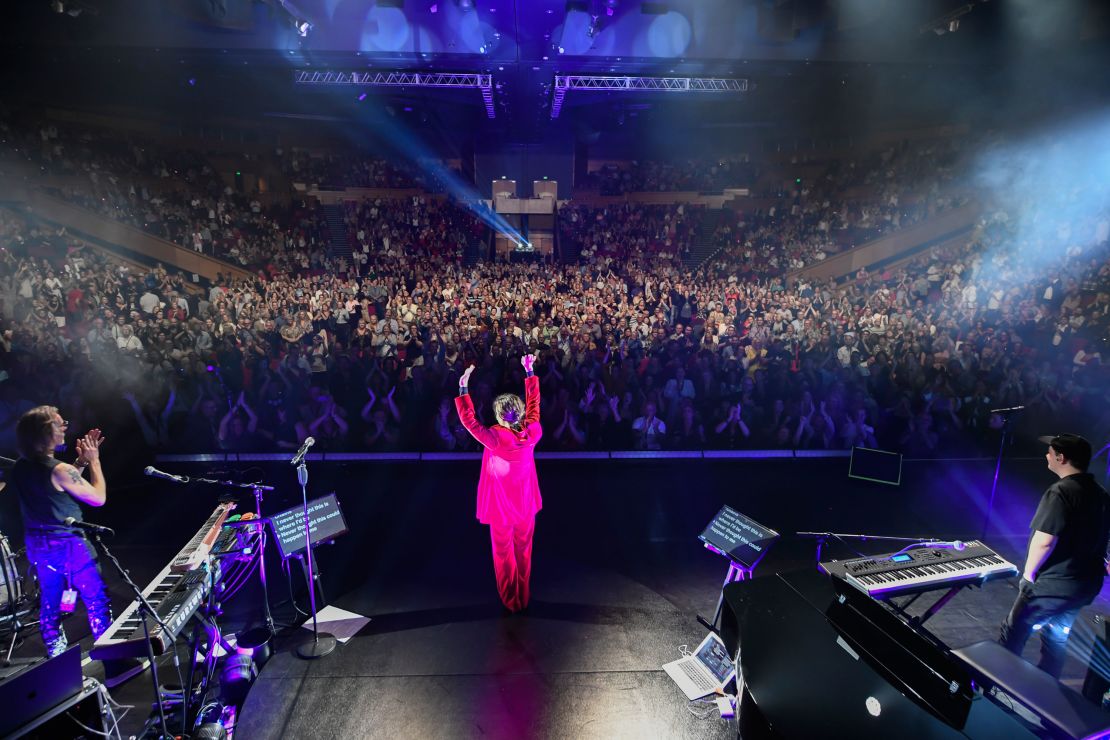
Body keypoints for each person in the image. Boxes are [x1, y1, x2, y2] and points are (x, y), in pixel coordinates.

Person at [999, 433, 1110, 678]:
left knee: (1014, 632)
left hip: (1053, 585)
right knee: (1056, 638)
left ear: (1061, 458)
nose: (1046, 455)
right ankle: (1047, 695)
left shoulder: (1060, 492)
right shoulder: (1100, 492)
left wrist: (1028, 576)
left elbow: (1045, 541)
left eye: (1050, 452)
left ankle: (998, 689)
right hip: (1084, 585)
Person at [9, 406, 110, 657]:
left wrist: (79, 464)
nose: (65, 426)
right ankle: (114, 664)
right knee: (97, 602)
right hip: (70, 547)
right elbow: (97, 498)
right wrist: (95, 460)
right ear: (44, 432)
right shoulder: (59, 470)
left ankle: (59, 662)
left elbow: (54, 487)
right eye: (58, 423)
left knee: (50, 606)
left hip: (40, 549)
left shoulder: (22, 466)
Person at [455, 354, 543, 613]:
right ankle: (523, 598)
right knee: (524, 553)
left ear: (499, 415)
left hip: (502, 510)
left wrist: (463, 388)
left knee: (504, 554)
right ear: (520, 414)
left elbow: (469, 422)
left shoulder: (496, 437)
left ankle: (511, 601)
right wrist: (529, 372)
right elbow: (535, 406)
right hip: (526, 507)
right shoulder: (532, 432)